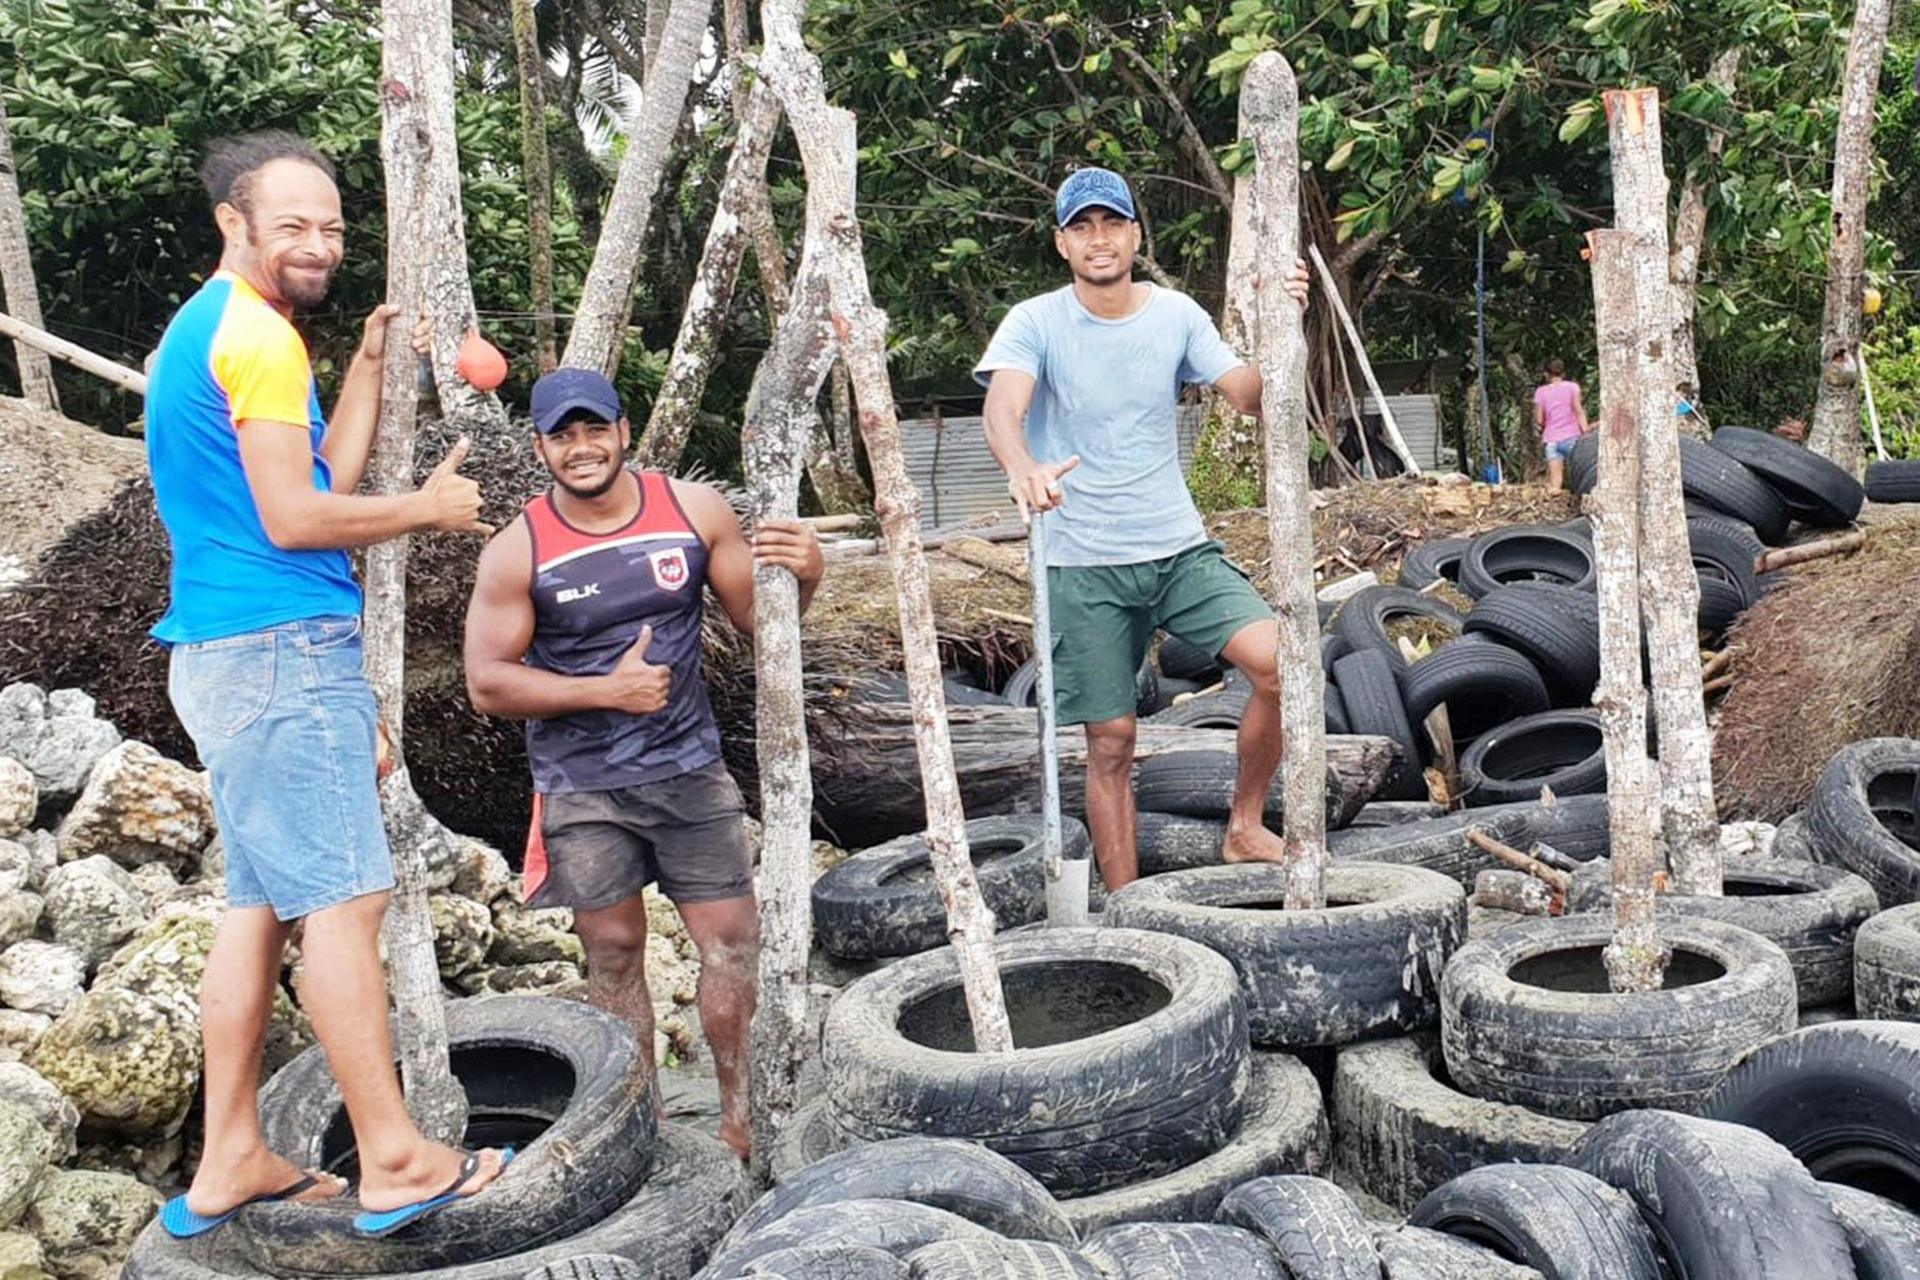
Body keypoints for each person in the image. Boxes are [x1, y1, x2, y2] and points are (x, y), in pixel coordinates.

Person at [148, 131, 507, 1239]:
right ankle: (395, 1158)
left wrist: (359, 372)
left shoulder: (215, 333)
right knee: (345, 904)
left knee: (257, 911)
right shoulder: (252, 337)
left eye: (333, 227)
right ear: (234, 224)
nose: (317, 243)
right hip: (277, 648)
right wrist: (428, 511)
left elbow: (313, 480)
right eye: (292, 224)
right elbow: (300, 523)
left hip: (233, 655)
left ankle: (229, 1155)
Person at [462, 367, 824, 1162]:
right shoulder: (518, 547)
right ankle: (644, 1131)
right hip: (581, 788)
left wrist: (808, 575)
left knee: (732, 944)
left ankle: (741, 1120)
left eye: (595, 429)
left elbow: (768, 632)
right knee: (615, 955)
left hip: (689, 771)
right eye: (563, 435)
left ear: (624, 432)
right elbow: (487, 682)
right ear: (540, 448)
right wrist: (606, 690)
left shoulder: (690, 512)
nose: (582, 448)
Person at [975, 166, 1309, 891]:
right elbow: (1003, 405)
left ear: (1133, 234)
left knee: (1285, 666)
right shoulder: (1035, 321)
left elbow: (1248, 397)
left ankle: (1245, 826)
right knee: (1112, 742)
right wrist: (1022, 466)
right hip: (1081, 559)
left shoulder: (1176, 314)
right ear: (1062, 244)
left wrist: (1285, 325)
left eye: (1111, 224)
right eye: (1081, 227)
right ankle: (1129, 909)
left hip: (1177, 547)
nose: (1098, 239)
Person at [1533, 358, 1591, 492]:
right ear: (1563, 374)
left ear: (1546, 375)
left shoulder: (1541, 392)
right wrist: (1586, 429)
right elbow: (1578, 410)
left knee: (1555, 485)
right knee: (1582, 475)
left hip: (1552, 440)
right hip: (1572, 438)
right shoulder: (1572, 387)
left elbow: (1539, 420)